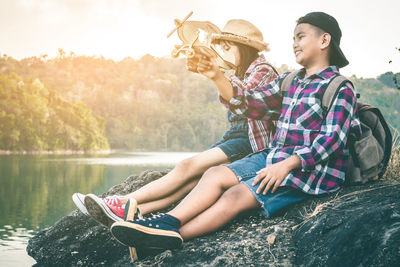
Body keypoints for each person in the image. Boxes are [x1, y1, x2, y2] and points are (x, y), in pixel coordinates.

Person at [109, 11, 363, 251]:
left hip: (309, 171)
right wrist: (216, 76)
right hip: (274, 157)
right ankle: (168, 222)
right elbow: (251, 103)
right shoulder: (290, 81)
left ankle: (167, 238)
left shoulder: (340, 87)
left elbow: (331, 142)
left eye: (300, 37)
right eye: (293, 38)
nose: (294, 44)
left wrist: (287, 165)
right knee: (214, 174)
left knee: (236, 196)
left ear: (324, 40)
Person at [72, 19, 279, 228]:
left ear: (244, 48)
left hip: (251, 142)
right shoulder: (238, 72)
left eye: (227, 47)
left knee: (188, 166)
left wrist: (217, 74)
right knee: (192, 180)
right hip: (236, 135)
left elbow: (243, 96)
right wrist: (211, 70)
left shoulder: (264, 70)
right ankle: (136, 210)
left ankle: (121, 202)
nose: (223, 52)